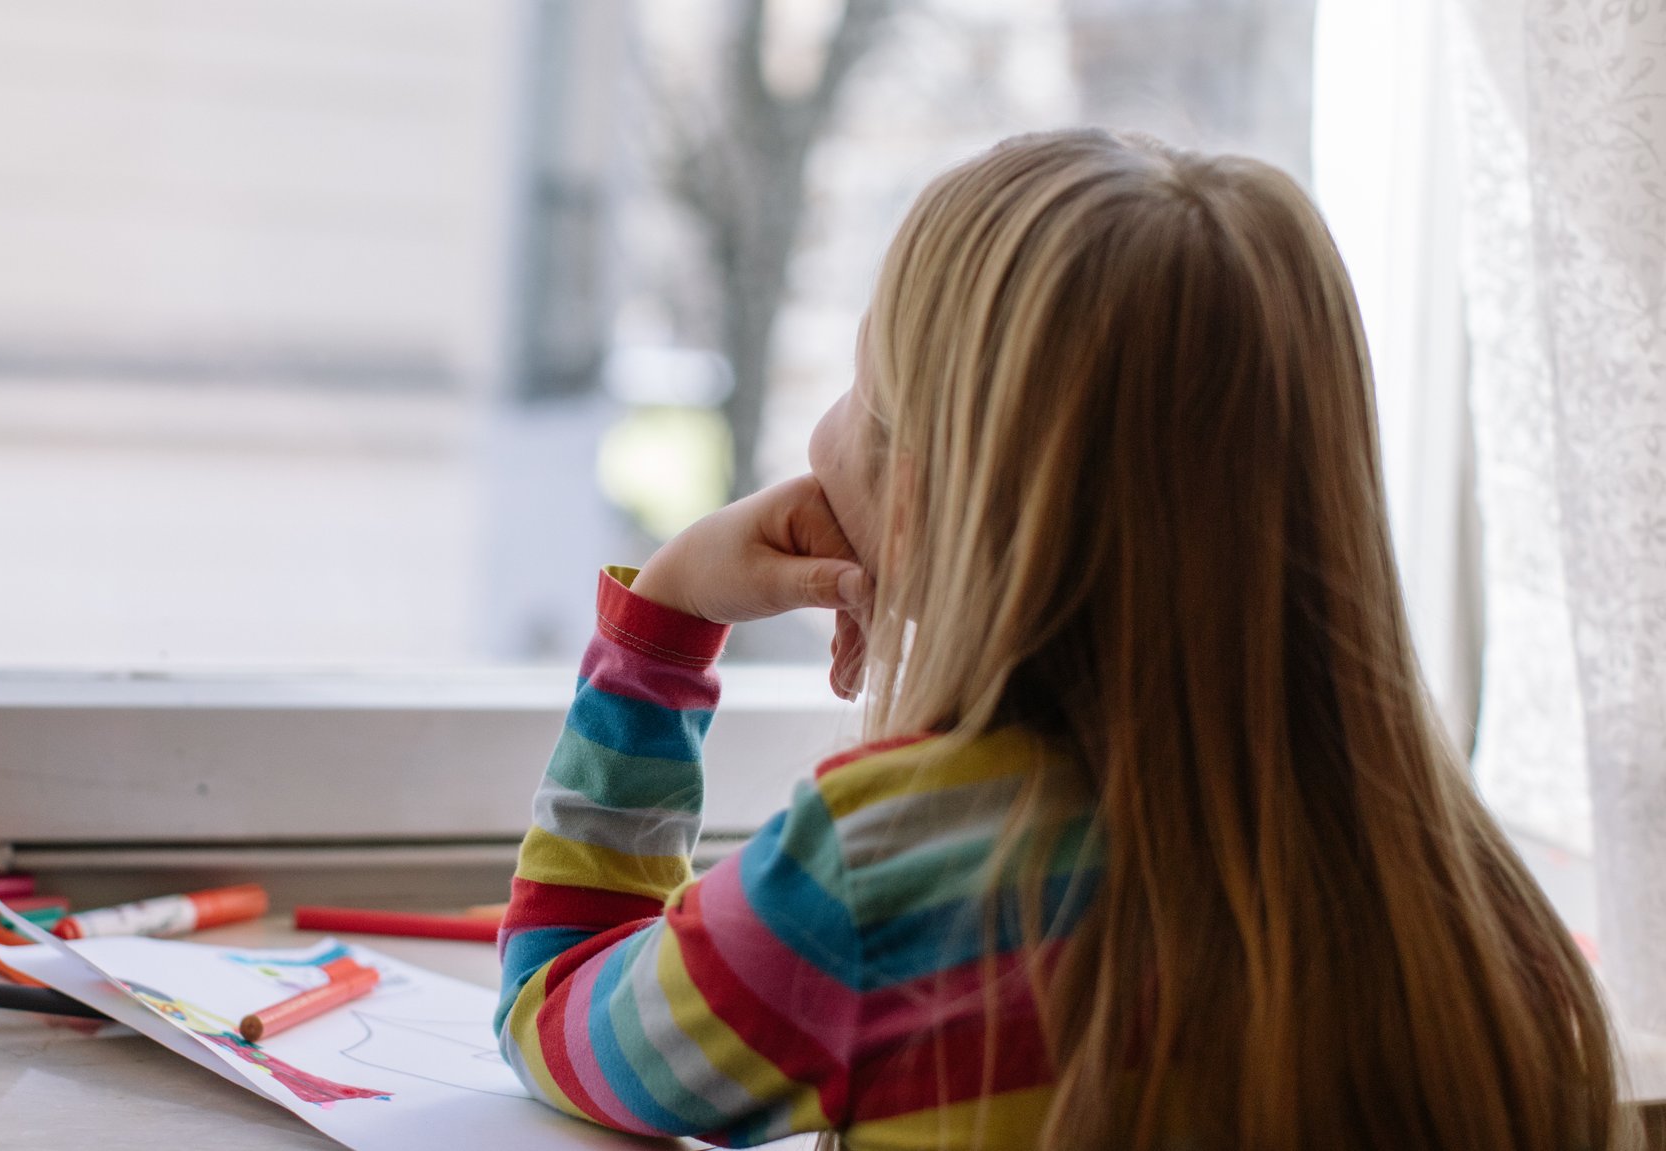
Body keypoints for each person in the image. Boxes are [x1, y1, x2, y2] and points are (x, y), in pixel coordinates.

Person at [493, 128, 1624, 1150]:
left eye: (860, 389)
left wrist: (668, 624)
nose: (820, 431)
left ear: (940, 503)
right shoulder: (1479, 922)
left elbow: (553, 1008)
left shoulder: (876, 871)